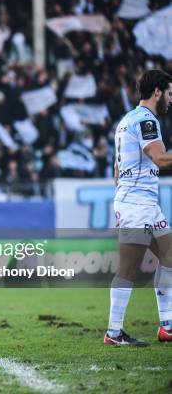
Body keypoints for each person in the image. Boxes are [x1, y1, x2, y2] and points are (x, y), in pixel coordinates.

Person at [107, 69, 172, 346]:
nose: (170, 99)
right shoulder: (147, 120)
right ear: (157, 92)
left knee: (170, 256)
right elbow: (160, 159)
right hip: (137, 204)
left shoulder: (126, 120)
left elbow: (116, 170)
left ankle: (167, 325)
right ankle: (113, 332)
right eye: (169, 93)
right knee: (128, 269)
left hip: (143, 202)